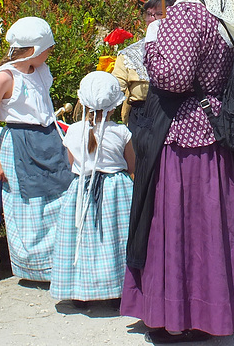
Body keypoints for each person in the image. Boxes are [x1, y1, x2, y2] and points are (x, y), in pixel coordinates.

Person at [120, 0, 234, 344]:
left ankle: (186, 312)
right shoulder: (232, 4)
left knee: (188, 223)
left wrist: (154, 44)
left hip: (190, 130)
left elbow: (172, 78)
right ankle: (220, 304)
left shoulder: (189, 11)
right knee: (217, 221)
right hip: (224, 124)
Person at [0, 16, 73, 282]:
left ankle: (60, 263)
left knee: (56, 197)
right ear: (33, 49)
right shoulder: (5, 77)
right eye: (48, 48)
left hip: (48, 139)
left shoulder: (41, 70)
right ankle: (35, 267)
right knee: (27, 203)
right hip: (20, 142)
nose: (51, 53)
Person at [50, 71, 134, 307]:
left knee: (83, 238)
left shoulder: (73, 131)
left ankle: (80, 291)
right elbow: (131, 165)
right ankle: (115, 289)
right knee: (114, 240)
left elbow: (71, 163)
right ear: (115, 105)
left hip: (82, 189)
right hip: (116, 191)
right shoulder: (121, 132)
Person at [111, 0, 176, 132]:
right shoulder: (129, 54)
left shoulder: (182, 49)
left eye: (159, 14)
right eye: (149, 14)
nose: (152, 19)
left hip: (175, 117)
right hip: (143, 119)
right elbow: (116, 86)